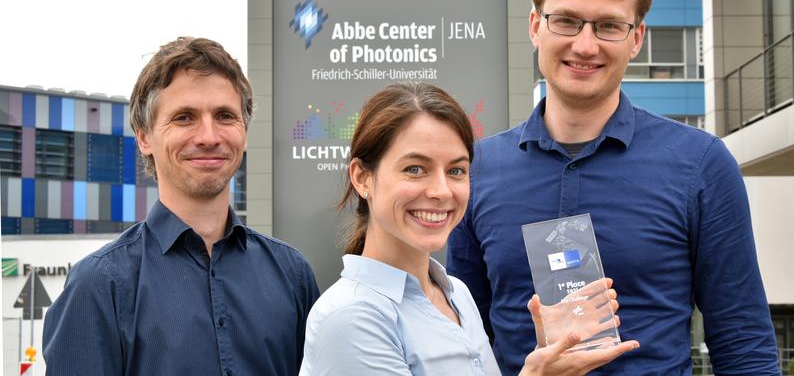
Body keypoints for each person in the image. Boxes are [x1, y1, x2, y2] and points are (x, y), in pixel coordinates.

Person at [447, 0, 779, 376]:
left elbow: (743, 340)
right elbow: (464, 343)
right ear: (534, 26)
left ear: (636, 37)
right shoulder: (478, 168)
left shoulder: (700, 164)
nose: (585, 46)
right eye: (566, 21)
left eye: (608, 25)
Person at [300, 83, 639, 376]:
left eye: (457, 171)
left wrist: (549, 357)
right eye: (415, 169)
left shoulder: (456, 294)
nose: (441, 191)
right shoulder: (351, 317)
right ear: (362, 178)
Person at [43, 37, 319, 375]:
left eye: (224, 116)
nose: (208, 136)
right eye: (185, 117)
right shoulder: (100, 284)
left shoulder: (292, 274)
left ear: (245, 133)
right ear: (144, 137)